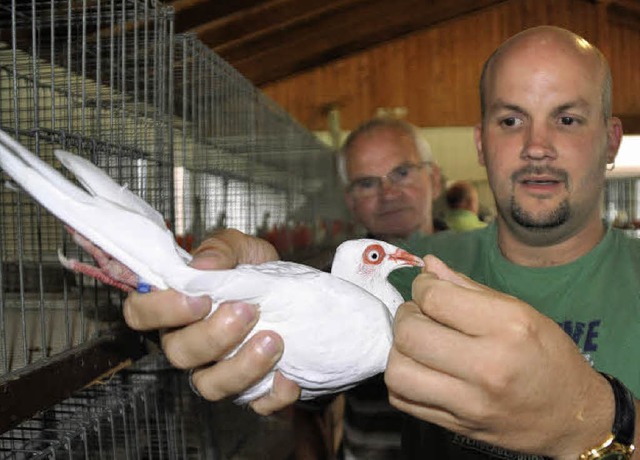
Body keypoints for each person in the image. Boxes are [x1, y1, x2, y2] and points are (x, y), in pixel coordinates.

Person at [123, 26, 640, 459]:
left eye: (567, 119)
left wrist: (598, 419)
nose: (536, 147)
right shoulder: (412, 271)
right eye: (511, 120)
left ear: (611, 140)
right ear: (481, 144)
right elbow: (322, 300)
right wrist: (246, 288)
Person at [293, 117, 441, 460]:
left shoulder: (479, 264)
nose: (388, 193)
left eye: (402, 173)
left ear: (433, 177)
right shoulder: (330, 287)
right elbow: (303, 405)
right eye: (367, 183)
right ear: (350, 200)